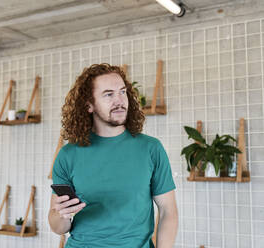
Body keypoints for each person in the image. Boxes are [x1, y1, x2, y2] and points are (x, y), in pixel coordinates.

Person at [48, 63, 178, 248]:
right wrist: (61, 215)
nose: (120, 100)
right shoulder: (68, 155)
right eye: (109, 94)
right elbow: (58, 227)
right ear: (89, 105)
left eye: (122, 92)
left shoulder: (151, 148)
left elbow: (168, 211)